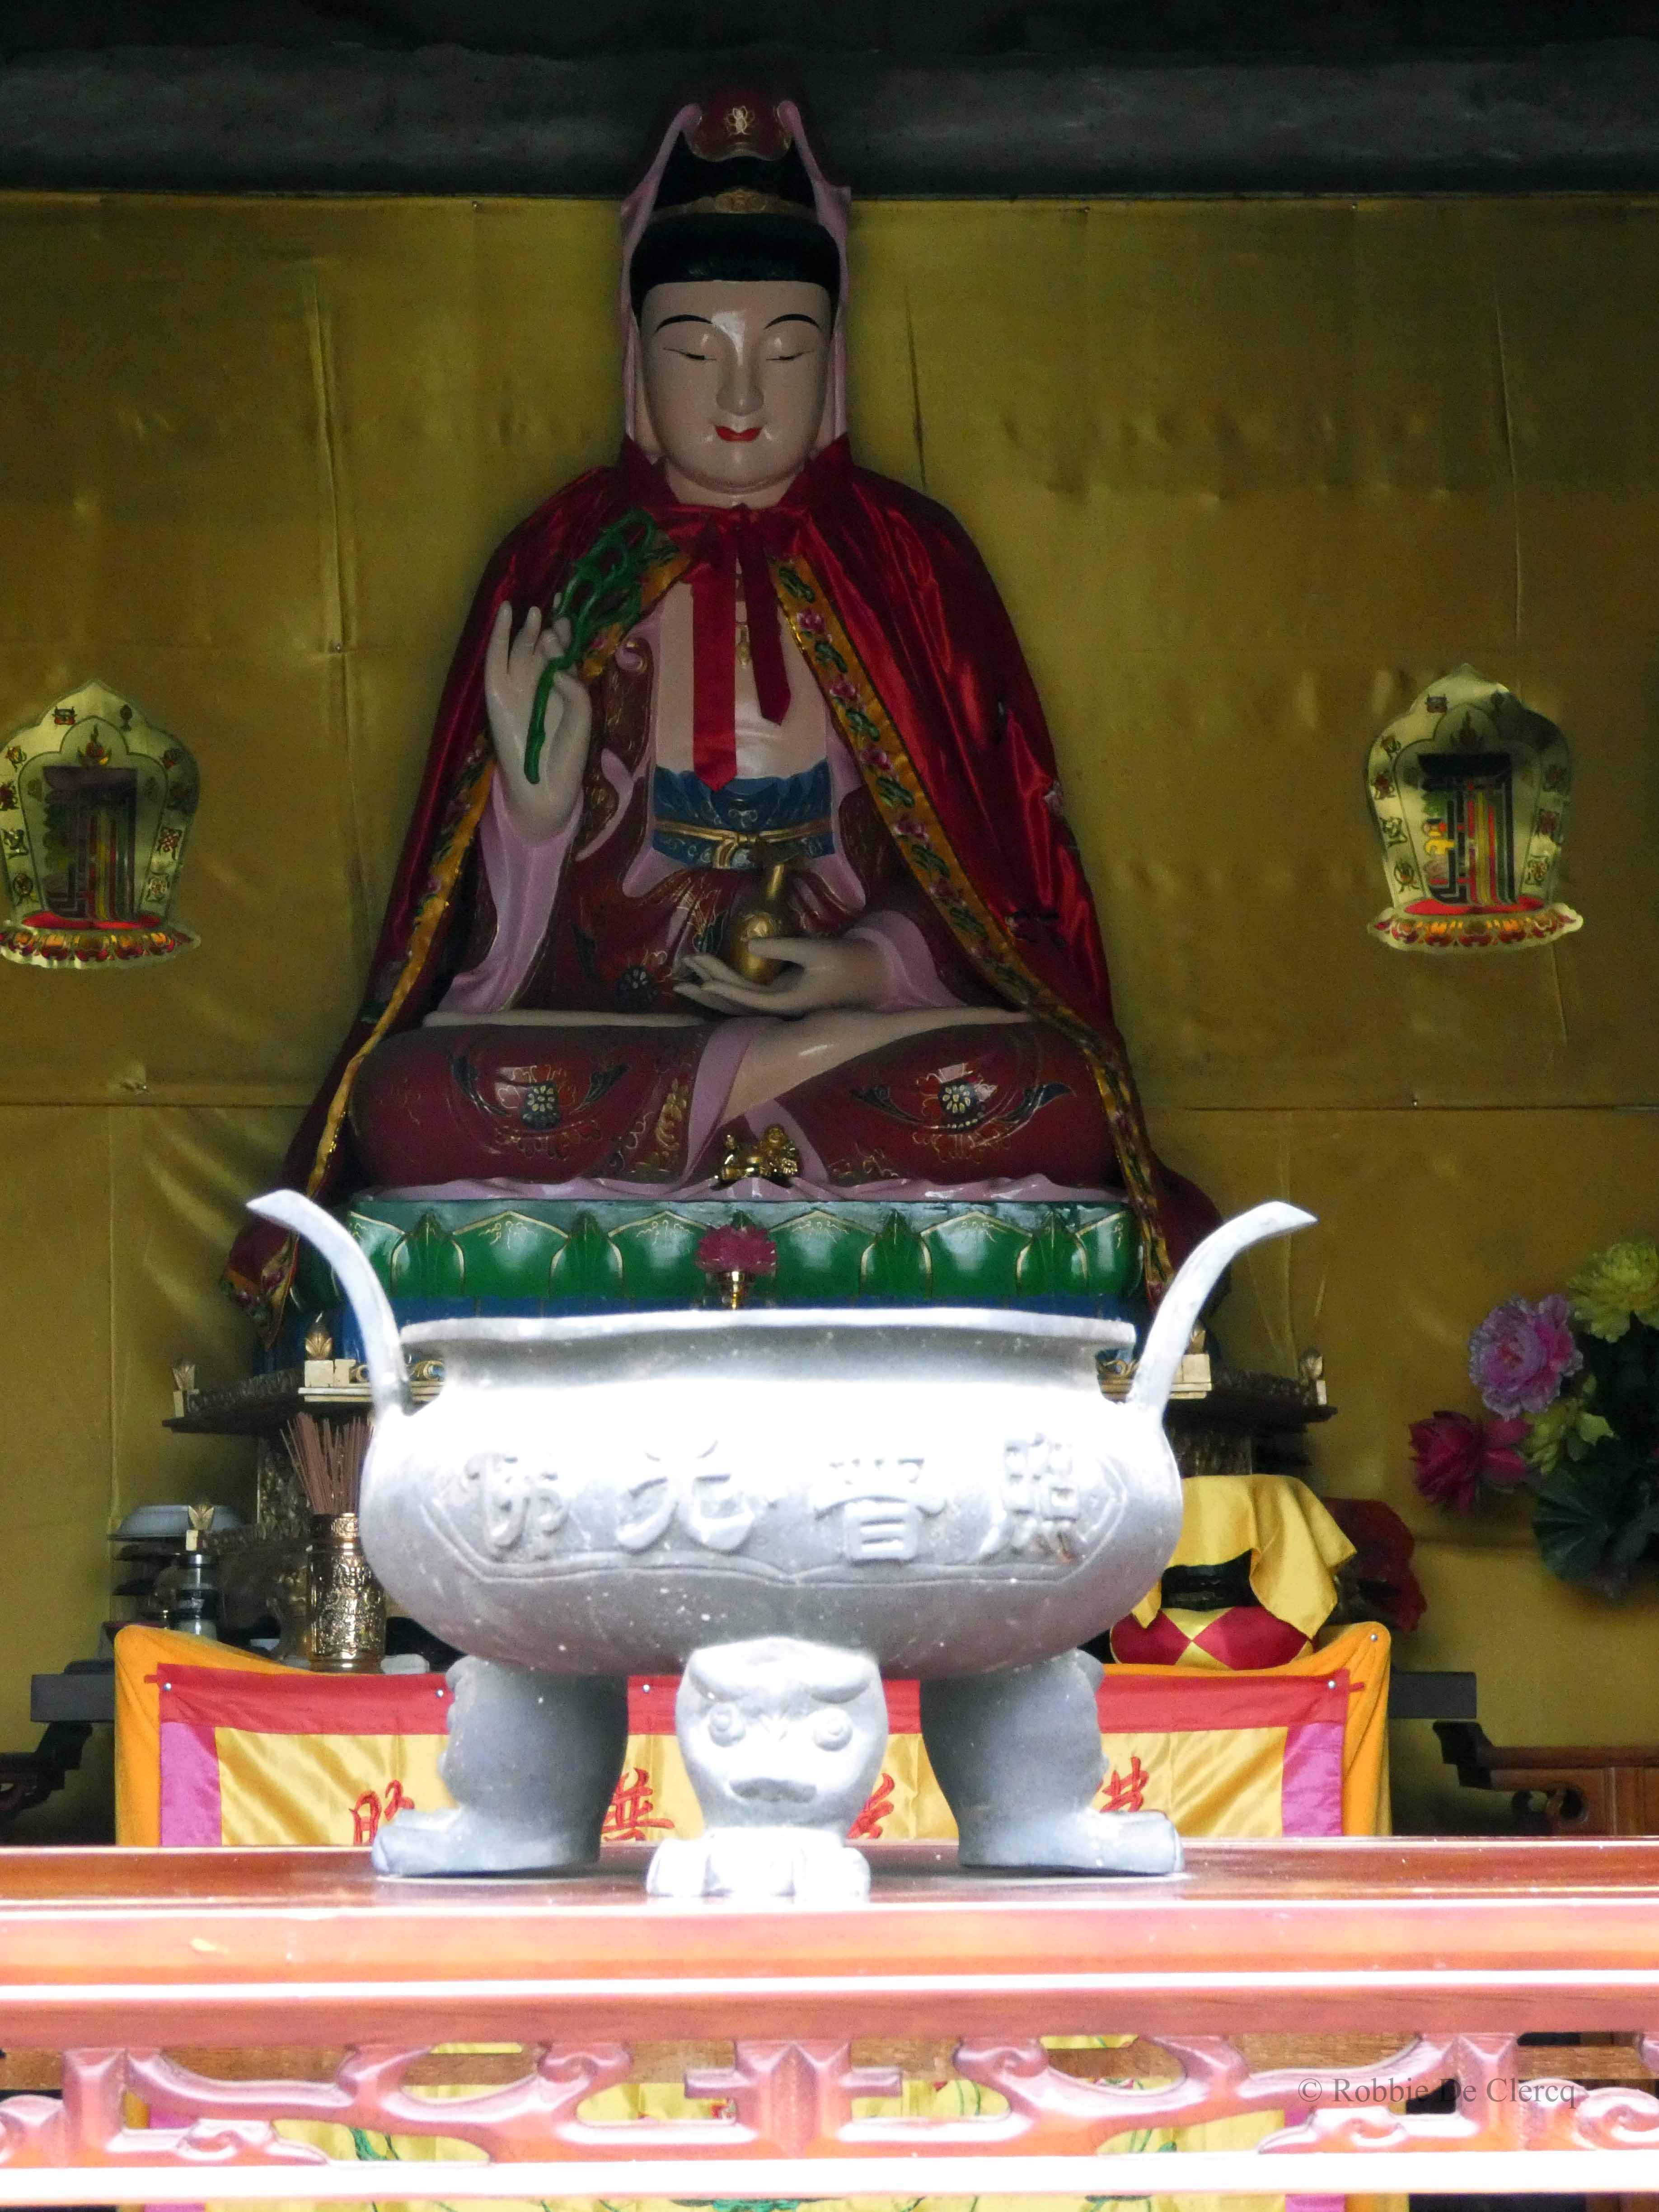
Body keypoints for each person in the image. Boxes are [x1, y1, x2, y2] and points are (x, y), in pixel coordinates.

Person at [225, 91, 1212, 1338]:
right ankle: (766, 1105)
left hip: (860, 1039)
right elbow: (476, 946)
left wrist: (867, 968)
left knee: (1054, 1087)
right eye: (695, 352)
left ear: (833, 363)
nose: (741, 393)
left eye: (786, 351)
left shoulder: (908, 563)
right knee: (416, 1103)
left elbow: (989, 877)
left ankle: (738, 1112)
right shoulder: (570, 557)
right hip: (612, 1039)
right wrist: (533, 812)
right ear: (637, 362)